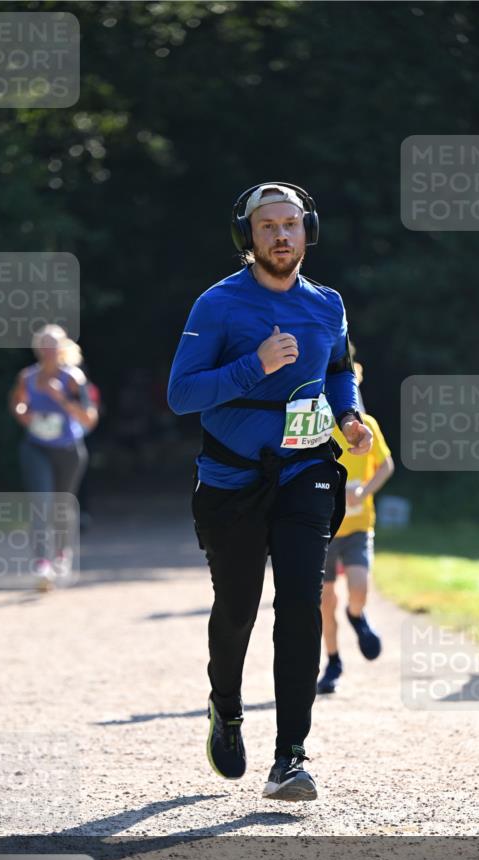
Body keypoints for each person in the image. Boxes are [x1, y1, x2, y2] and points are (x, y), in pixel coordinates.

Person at [168, 182, 372, 801]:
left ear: (308, 231)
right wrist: (255, 365)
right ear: (247, 238)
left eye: (291, 224)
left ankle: (291, 756)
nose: (282, 236)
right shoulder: (218, 305)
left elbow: (337, 373)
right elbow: (182, 395)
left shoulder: (327, 304)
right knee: (238, 608)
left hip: (304, 472)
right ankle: (225, 707)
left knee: (302, 606)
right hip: (233, 480)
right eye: (267, 227)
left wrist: (350, 416)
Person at [317, 359, 394, 694]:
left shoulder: (370, 427)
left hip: (360, 526)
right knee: (325, 601)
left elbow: (386, 465)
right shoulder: (319, 428)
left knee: (359, 587)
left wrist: (365, 490)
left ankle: (357, 614)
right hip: (323, 528)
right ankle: (332, 662)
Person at [9, 325, 98, 590]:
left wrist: (60, 398)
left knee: (62, 505)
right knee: (41, 502)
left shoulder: (73, 378)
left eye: (53, 345)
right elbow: (17, 402)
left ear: (62, 349)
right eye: (44, 345)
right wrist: (23, 413)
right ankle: (42, 564)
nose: (48, 350)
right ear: (37, 349)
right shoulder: (27, 376)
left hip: (69, 450)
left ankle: (62, 553)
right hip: (36, 447)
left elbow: (89, 419)